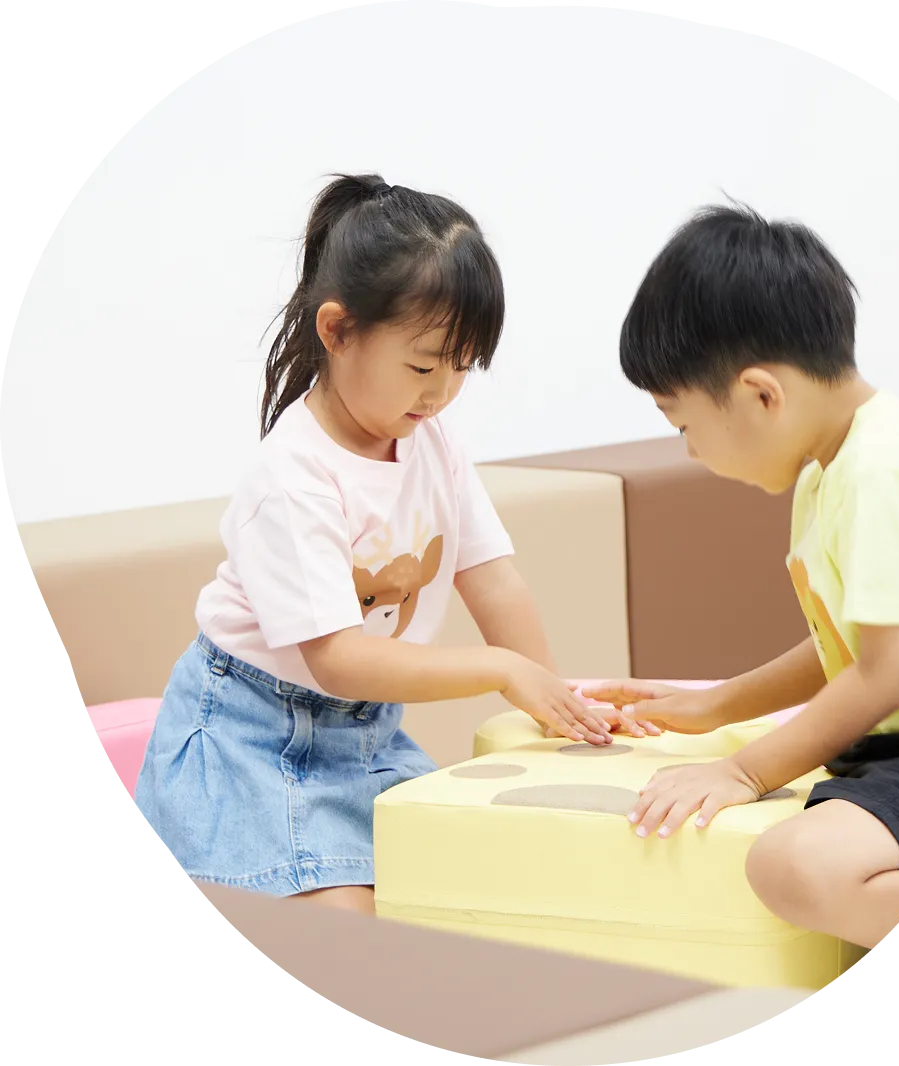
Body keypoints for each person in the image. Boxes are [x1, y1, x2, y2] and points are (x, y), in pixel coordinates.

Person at [135, 173, 634, 916]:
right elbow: (338, 659)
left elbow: (493, 580)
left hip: (366, 736)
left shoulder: (433, 444)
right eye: (424, 366)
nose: (442, 392)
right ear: (337, 331)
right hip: (251, 740)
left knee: (466, 893)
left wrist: (559, 707)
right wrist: (502, 670)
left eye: (462, 367)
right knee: (353, 928)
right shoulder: (295, 476)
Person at [583, 201, 899, 950]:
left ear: (762, 395)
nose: (690, 450)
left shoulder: (882, 470)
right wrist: (714, 705)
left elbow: (889, 672)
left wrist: (745, 771)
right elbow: (850, 649)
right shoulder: (828, 472)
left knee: (792, 867)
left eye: (684, 425)